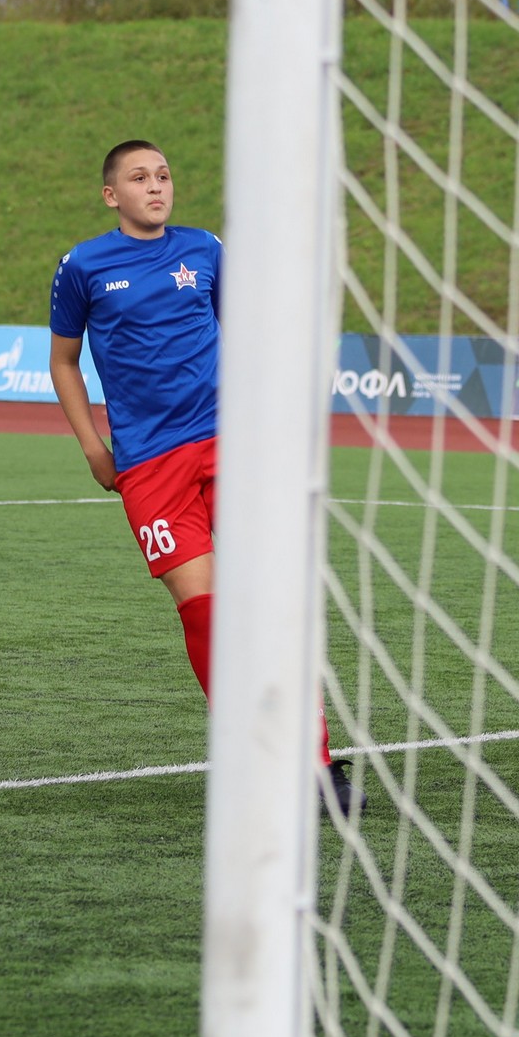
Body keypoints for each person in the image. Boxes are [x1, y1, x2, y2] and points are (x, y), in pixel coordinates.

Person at [49, 140, 354, 816]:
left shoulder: (205, 250)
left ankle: (315, 763)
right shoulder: (84, 266)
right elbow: (64, 361)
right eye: (138, 177)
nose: (155, 186)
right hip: (149, 465)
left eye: (162, 174)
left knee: (270, 601)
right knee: (205, 611)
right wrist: (94, 448)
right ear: (112, 196)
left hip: (231, 446)